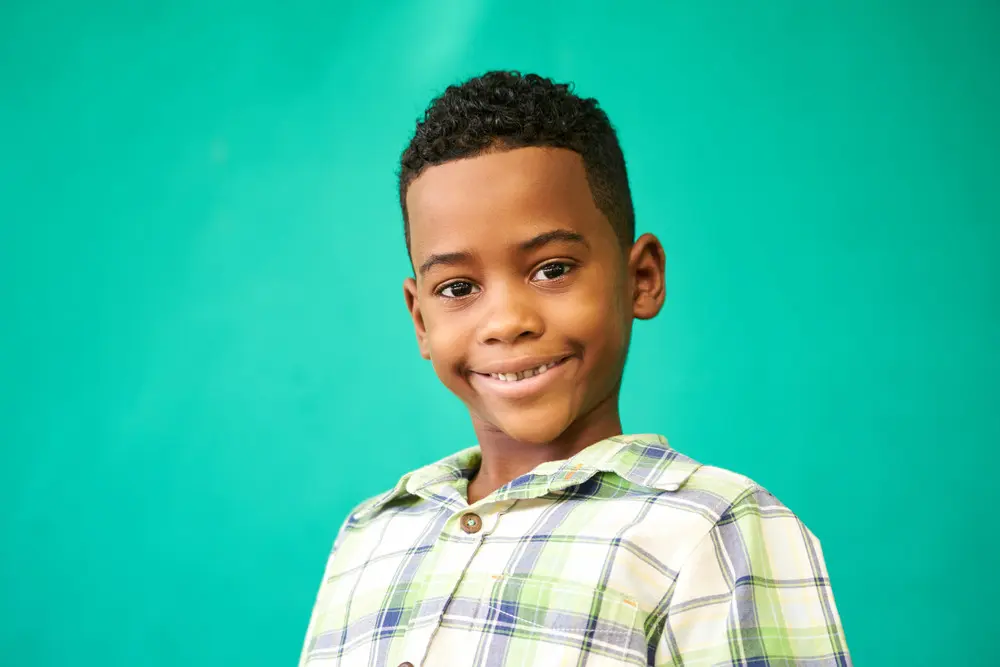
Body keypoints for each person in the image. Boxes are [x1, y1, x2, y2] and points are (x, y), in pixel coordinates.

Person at [298, 71, 851, 667]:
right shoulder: (370, 535)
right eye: (458, 287)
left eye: (552, 269)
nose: (506, 321)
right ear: (420, 320)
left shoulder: (713, 530)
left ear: (641, 277)